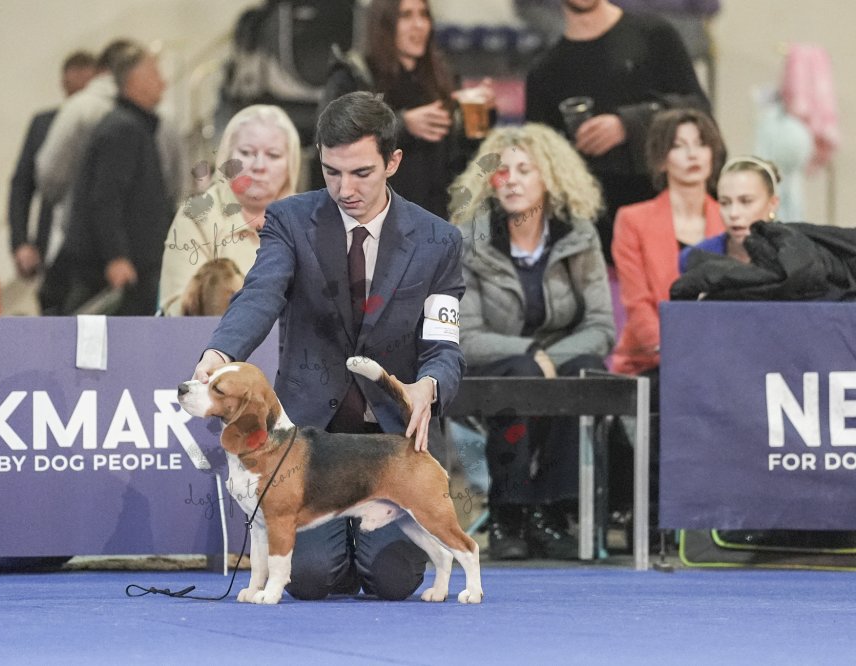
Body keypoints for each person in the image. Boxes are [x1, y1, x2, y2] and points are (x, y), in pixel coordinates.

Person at [192, 91, 465, 600]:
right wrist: (220, 353)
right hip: (309, 442)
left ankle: (363, 551)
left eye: (361, 173)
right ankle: (336, 551)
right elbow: (261, 293)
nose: (344, 188)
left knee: (392, 581)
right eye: (331, 172)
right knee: (311, 578)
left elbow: (444, 346)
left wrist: (428, 386)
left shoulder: (439, 240)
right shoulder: (290, 220)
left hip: (389, 442)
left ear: (393, 162)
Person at [451, 124, 614, 559]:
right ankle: (509, 512)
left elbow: (601, 327)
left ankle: (552, 512)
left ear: (550, 178)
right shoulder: (470, 240)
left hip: (558, 362)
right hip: (493, 367)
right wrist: (528, 353)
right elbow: (465, 337)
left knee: (583, 368)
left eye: (525, 170)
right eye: (502, 171)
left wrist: (547, 358)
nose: (512, 181)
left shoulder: (578, 236)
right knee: (523, 373)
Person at [524, 0, 710, 263]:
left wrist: (628, 124)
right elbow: (539, 162)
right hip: (599, 235)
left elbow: (698, 110)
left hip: (674, 220)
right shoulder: (545, 71)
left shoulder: (654, 35)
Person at [35, 38, 187, 314]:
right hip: (114, 276)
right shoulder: (123, 130)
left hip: (136, 270)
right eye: (154, 74)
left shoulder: (136, 126)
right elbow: (105, 198)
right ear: (135, 81)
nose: (163, 83)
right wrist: (116, 257)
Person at [317, 0, 495, 218]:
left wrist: (482, 116)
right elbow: (329, 135)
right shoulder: (354, 75)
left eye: (424, 15)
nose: (419, 25)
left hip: (435, 219)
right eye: (406, 16)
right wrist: (402, 125)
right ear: (385, 23)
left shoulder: (441, 77)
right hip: (371, 219)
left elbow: (460, 160)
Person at [611, 107, 725, 376]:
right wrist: (673, 353)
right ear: (661, 160)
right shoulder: (632, 220)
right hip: (652, 360)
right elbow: (637, 304)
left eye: (701, 144)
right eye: (679, 146)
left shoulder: (730, 220)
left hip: (719, 355)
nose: (692, 154)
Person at [157, 105, 301, 316]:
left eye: (273, 155)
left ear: (291, 164)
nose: (259, 166)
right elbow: (177, 313)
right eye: (246, 153)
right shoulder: (197, 216)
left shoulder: (310, 221)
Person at [8, 50, 96, 280]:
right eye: (75, 91)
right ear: (64, 85)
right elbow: (22, 185)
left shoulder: (112, 126)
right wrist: (21, 242)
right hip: (51, 244)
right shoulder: (43, 124)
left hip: (95, 247)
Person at [679, 156, 782, 271]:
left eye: (746, 201)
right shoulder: (694, 259)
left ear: (773, 203)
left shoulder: (791, 258)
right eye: (725, 203)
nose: (733, 213)